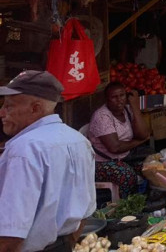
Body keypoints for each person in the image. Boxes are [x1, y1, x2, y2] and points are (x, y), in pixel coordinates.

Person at [0, 71, 95, 252]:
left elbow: (10, 235)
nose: (1, 112)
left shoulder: (24, 149)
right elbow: (86, 211)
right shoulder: (78, 140)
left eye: (9, 106)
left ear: (35, 108)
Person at [88, 82, 151, 199]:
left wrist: (135, 107)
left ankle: (146, 200)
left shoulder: (127, 110)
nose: (119, 100)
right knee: (126, 175)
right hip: (101, 163)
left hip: (125, 156)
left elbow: (144, 134)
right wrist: (139, 142)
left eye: (122, 95)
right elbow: (115, 147)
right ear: (107, 99)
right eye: (114, 97)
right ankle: (124, 207)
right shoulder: (102, 117)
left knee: (151, 166)